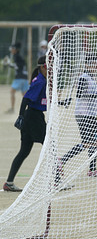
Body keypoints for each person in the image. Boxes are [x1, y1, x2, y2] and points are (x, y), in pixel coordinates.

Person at [3, 56, 47, 192]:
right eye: (50, 66)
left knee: (24, 151)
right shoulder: (40, 81)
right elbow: (26, 99)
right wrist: (21, 116)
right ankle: (57, 182)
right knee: (50, 147)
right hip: (33, 117)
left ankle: (9, 182)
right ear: (43, 67)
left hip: (33, 116)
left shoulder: (43, 80)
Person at [58, 55, 97, 178]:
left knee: (95, 141)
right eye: (93, 63)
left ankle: (92, 170)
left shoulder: (92, 78)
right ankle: (62, 160)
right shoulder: (83, 78)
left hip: (91, 114)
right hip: (83, 115)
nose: (96, 65)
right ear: (87, 65)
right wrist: (94, 96)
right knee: (86, 143)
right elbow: (79, 94)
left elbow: (89, 96)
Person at [5, 42, 28, 114]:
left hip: (19, 77)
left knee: (12, 92)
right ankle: (29, 108)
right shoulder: (20, 56)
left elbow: (17, 67)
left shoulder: (16, 56)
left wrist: (8, 64)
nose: (11, 50)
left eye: (12, 48)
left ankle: (12, 108)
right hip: (25, 77)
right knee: (25, 95)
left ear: (15, 49)